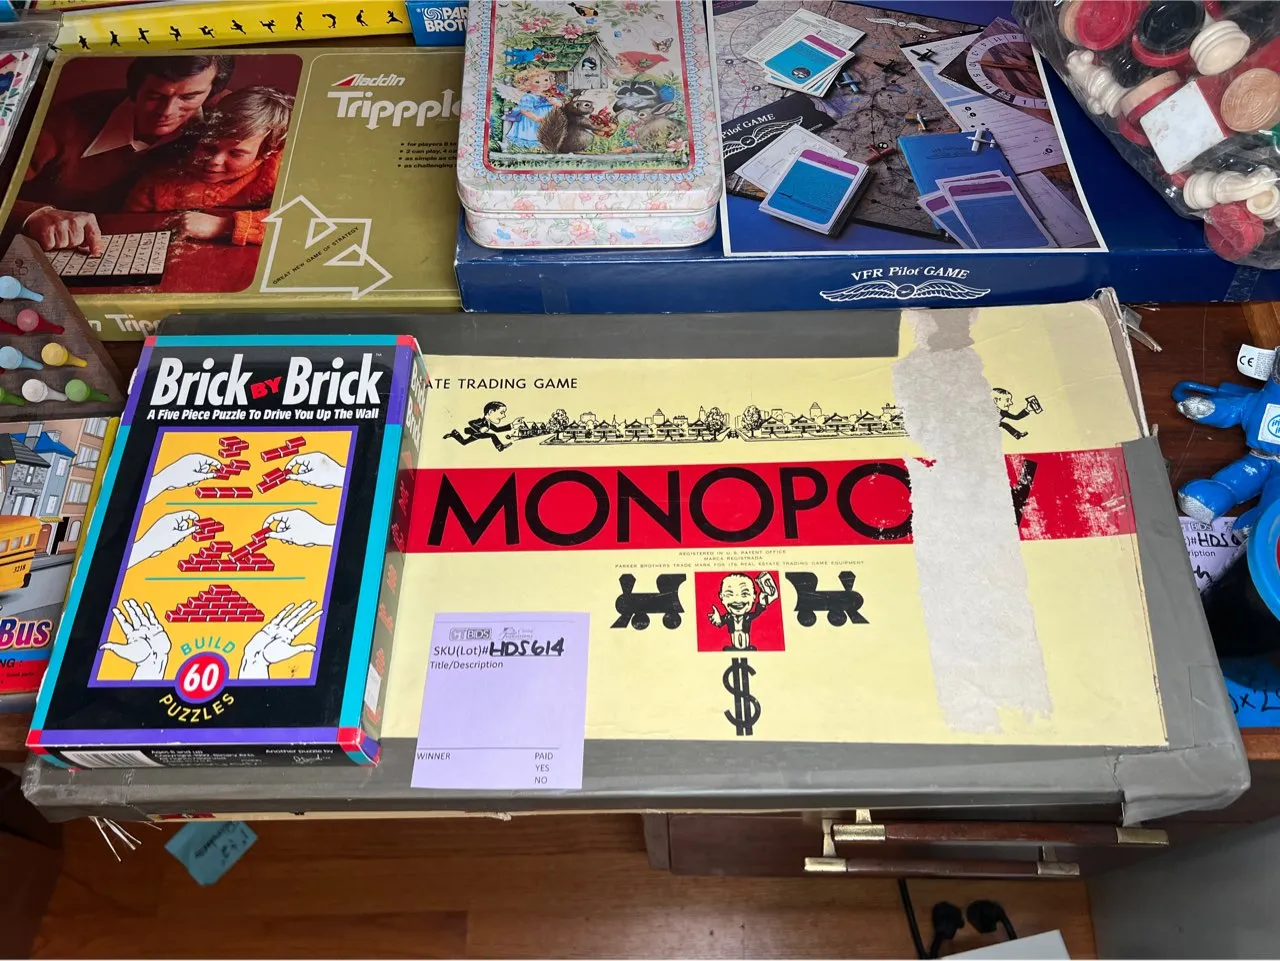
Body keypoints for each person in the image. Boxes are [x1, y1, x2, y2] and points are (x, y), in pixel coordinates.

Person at [13, 55, 235, 255]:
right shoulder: (62, 123)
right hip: (51, 250)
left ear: (212, 91)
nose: (167, 112)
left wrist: (224, 226)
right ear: (136, 87)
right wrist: (35, 214)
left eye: (189, 97)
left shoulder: (230, 115)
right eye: (155, 95)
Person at [124, 85, 293, 245]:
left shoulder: (281, 169)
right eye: (208, 147)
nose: (214, 161)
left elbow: (300, 220)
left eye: (235, 153)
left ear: (266, 151)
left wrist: (223, 226)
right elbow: (126, 223)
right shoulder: (164, 177)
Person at [707, 572, 777, 652]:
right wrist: (718, 620)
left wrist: (762, 604)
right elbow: (720, 622)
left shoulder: (747, 617)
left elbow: (757, 613)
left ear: (754, 596)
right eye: (730, 594)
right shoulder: (728, 617)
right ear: (721, 597)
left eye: (744, 594)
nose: (737, 600)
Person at [505, 68, 561, 149]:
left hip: (547, 120)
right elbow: (524, 110)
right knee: (534, 135)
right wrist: (536, 118)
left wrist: (556, 103)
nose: (544, 83)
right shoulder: (528, 97)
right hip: (532, 121)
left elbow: (559, 106)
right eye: (537, 82)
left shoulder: (548, 95)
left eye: (546, 80)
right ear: (528, 84)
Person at [444, 401, 514, 451]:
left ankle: (500, 447)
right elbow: (471, 423)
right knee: (464, 442)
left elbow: (497, 430)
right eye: (501, 413)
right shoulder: (481, 421)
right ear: (490, 412)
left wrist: (512, 425)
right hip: (475, 433)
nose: (504, 416)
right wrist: (480, 429)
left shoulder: (488, 422)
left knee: (492, 435)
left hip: (478, 435)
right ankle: (455, 434)